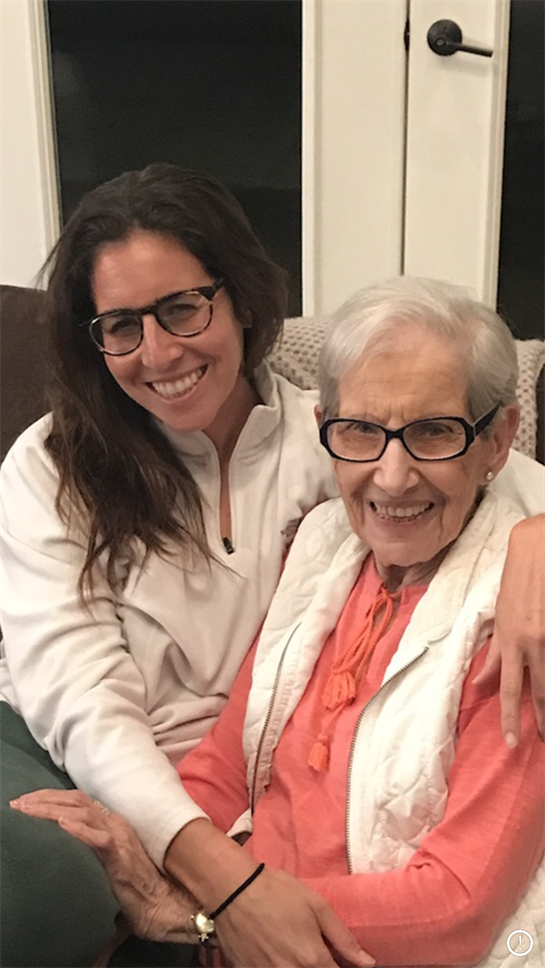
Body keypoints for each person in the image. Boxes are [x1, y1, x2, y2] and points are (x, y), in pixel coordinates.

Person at [1, 164, 543, 968]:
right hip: (67, 744)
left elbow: (481, 472)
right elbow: (89, 709)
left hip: (222, 834)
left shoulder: (326, 451)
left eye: (183, 308)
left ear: (241, 299)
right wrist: (217, 890)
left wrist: (536, 540)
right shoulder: (51, 464)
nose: (157, 352)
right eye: (120, 326)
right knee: (51, 889)